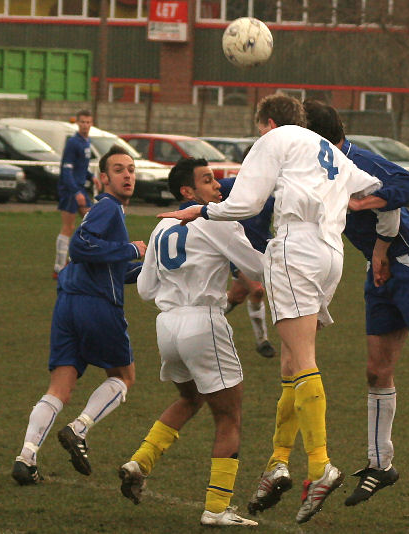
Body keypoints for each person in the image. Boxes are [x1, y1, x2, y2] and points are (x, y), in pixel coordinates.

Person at [158, 94, 384, 524]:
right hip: (331, 253)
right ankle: (279, 461)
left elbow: (244, 205)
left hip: (295, 247)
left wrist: (201, 211)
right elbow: (372, 186)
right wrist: (348, 203)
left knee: (302, 359)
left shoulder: (274, 139)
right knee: (290, 363)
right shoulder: (326, 149)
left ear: (267, 122)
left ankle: (320, 466)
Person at [303, 100, 409, 507]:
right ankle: (380, 463)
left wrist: (364, 208)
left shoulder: (357, 159)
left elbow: (404, 189)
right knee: (377, 371)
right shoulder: (321, 166)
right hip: (378, 273)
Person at [119, 157, 263, 527]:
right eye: (208, 181)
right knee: (229, 416)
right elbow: (258, 268)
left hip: (167, 326)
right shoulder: (215, 219)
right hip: (204, 322)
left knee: (189, 398)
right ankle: (216, 508)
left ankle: (140, 461)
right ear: (188, 191)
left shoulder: (163, 225)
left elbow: (147, 288)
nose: (218, 187)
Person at [12, 146, 146, 485]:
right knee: (124, 376)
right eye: (118, 169)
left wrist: (148, 268)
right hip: (96, 306)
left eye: (131, 169)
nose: (127, 175)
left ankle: (26, 459)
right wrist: (131, 249)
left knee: (60, 387)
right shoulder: (109, 207)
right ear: (103, 178)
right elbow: (80, 247)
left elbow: (105, 266)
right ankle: (79, 429)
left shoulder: (103, 210)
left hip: (68, 304)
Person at [218, 172, 276, 359]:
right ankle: (262, 341)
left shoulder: (271, 190)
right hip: (238, 252)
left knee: (236, 297)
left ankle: (205, 319)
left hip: (264, 251)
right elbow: (207, 193)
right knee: (257, 291)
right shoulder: (229, 186)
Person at [53, 110, 96, 278]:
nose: (85, 125)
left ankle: (77, 260)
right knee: (68, 227)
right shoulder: (73, 142)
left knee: (91, 223)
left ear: (92, 123)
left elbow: (81, 168)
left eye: (88, 122)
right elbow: (67, 170)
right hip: (70, 190)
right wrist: (75, 191)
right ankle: (58, 267)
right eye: (82, 122)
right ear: (77, 123)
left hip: (80, 189)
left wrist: (92, 178)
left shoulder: (86, 141)